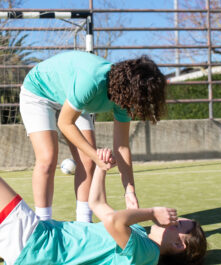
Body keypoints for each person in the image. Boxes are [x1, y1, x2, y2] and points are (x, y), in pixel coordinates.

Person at [0, 148, 206, 265]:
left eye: (180, 224)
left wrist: (151, 212)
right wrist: (102, 171)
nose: (173, 220)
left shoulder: (145, 256)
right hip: (38, 245)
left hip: (38, 246)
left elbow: (116, 222)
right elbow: (97, 205)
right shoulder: (139, 237)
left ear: (178, 243)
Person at [19, 50, 167, 222]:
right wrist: (97, 156)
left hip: (75, 99)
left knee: (87, 161)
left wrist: (129, 190)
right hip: (40, 91)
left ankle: (84, 223)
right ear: (132, 89)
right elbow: (65, 123)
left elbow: (122, 146)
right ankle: (43, 224)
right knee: (47, 158)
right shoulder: (92, 81)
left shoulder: (126, 99)